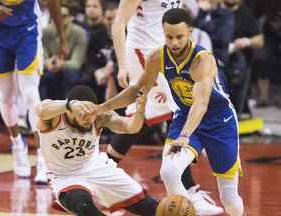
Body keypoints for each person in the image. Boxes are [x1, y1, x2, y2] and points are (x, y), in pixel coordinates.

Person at [97, 8, 244, 216]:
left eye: (179, 37)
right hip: (185, 117)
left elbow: (200, 104)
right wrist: (102, 108)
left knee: (229, 198)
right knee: (169, 171)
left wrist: (184, 136)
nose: (174, 43)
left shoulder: (202, 60)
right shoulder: (157, 56)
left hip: (219, 123)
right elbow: (137, 90)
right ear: (162, 33)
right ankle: (186, 209)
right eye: (169, 37)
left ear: (190, 32)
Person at [35, 85, 158, 216]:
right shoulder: (54, 118)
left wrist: (140, 111)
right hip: (65, 177)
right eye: (82, 114)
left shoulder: (100, 117)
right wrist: (70, 104)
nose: (87, 118)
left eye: (90, 114)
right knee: (83, 204)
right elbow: (40, 109)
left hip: (96, 169)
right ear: (70, 111)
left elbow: (131, 127)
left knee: (149, 207)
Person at [0, 0, 68, 183]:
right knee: (6, 95)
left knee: (29, 93)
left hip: (26, 32)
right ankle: (18, 145)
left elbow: (53, 3)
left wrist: (62, 37)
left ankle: (43, 157)